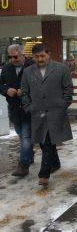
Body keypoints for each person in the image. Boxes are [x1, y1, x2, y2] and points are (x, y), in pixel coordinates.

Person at [21, 44, 74, 186]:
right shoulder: (28, 72)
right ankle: (55, 163)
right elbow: (24, 92)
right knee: (43, 142)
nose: (40, 59)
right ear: (33, 57)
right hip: (37, 113)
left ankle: (44, 173)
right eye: (37, 56)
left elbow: (68, 89)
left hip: (56, 112)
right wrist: (28, 107)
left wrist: (64, 104)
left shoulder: (61, 68)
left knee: (49, 140)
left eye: (42, 56)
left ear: (48, 54)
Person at [0, 44, 34, 177]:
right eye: (10, 57)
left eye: (15, 56)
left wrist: (25, 92)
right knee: (22, 136)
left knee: (26, 137)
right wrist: (6, 90)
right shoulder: (7, 68)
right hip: (14, 108)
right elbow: (1, 84)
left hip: (29, 108)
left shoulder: (32, 66)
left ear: (22, 54)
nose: (13, 59)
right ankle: (29, 155)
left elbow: (40, 85)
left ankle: (23, 165)